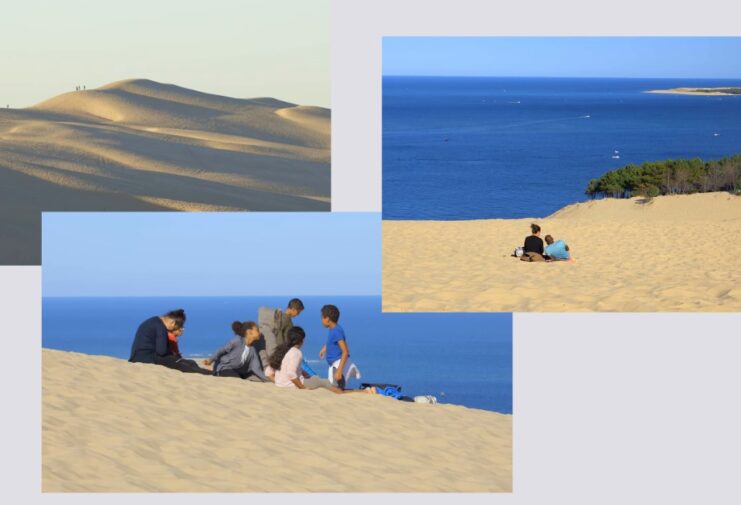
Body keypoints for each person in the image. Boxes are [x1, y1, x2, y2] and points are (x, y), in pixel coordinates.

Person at [129, 309, 210, 374]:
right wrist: (173, 355)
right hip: (146, 358)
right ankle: (210, 374)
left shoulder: (154, 321)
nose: (174, 330)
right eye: (176, 327)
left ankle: (205, 372)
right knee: (185, 365)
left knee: (190, 362)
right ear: (173, 323)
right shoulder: (161, 327)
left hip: (139, 356)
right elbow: (161, 351)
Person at [319, 304, 361, 389]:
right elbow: (331, 342)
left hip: (337, 365)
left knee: (336, 390)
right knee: (336, 389)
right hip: (335, 365)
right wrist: (324, 349)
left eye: (322, 317)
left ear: (327, 319)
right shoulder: (334, 329)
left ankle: (365, 392)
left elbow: (345, 351)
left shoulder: (336, 331)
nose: (321, 320)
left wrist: (339, 371)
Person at [255, 298, 304, 370]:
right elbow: (288, 339)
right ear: (293, 309)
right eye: (298, 312)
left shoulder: (277, 317)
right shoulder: (288, 321)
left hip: (266, 345)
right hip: (277, 350)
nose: (298, 314)